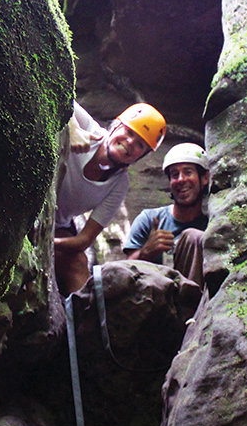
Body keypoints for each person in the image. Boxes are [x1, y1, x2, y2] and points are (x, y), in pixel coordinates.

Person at [54, 101, 166, 295]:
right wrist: (73, 128)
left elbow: (84, 239)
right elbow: (61, 93)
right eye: (129, 132)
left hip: (56, 226)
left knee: (79, 262)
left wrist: (48, 242)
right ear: (115, 126)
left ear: (142, 155)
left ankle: (83, 320)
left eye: (140, 144)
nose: (130, 142)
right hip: (28, 199)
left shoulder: (118, 184)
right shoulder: (88, 128)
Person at [123, 143, 209, 289]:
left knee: (193, 237)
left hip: (196, 305)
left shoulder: (211, 227)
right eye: (175, 175)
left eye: (188, 172)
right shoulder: (149, 219)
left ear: (205, 178)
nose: (181, 179)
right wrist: (146, 252)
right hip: (152, 301)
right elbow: (125, 270)